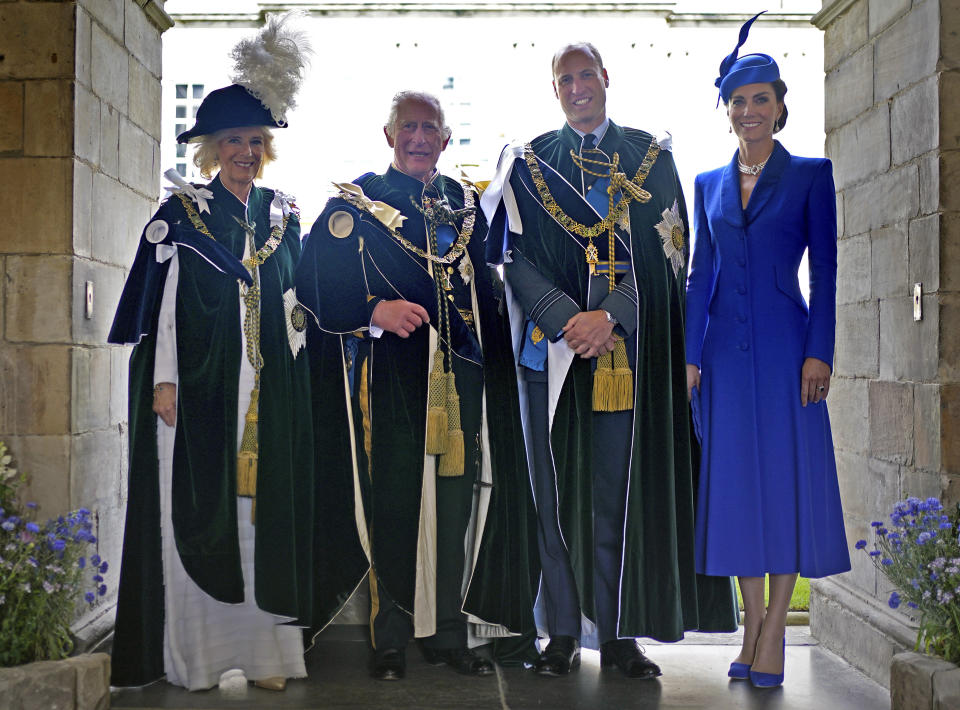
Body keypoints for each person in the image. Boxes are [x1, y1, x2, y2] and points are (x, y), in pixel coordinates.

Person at [481, 42, 738, 679]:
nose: (577, 88)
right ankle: (562, 632)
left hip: (625, 360)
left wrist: (611, 316)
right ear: (555, 89)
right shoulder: (530, 161)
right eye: (564, 79)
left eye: (585, 76)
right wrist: (564, 319)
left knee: (614, 495)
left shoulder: (653, 160)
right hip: (550, 355)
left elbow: (670, 256)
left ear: (605, 79)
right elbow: (512, 258)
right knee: (554, 496)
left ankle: (620, 636)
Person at [296, 90, 538, 681]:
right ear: (389, 135)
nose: (420, 138)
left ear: (446, 140)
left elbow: (488, 282)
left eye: (431, 128)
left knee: (455, 509)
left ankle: (447, 633)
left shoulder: (465, 203)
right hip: (391, 383)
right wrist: (374, 309)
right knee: (396, 504)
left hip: (464, 382)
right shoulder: (354, 202)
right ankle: (392, 635)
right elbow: (311, 283)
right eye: (409, 126)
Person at [107, 16, 316, 691]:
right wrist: (164, 383)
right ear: (212, 149)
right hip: (198, 396)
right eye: (234, 142)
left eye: (256, 142)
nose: (246, 153)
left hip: (269, 398)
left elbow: (297, 305)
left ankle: (267, 660)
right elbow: (161, 309)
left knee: (263, 525)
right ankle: (196, 658)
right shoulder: (183, 215)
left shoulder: (284, 217)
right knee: (198, 520)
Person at [684, 13, 851, 689]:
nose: (749, 111)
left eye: (761, 99)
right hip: (723, 354)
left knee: (783, 487)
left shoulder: (812, 176)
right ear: (727, 112)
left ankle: (776, 627)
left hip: (789, 353)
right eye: (738, 101)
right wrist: (691, 355)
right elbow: (700, 274)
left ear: (780, 106)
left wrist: (822, 352)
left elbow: (829, 271)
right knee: (735, 490)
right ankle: (752, 620)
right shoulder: (707, 185)